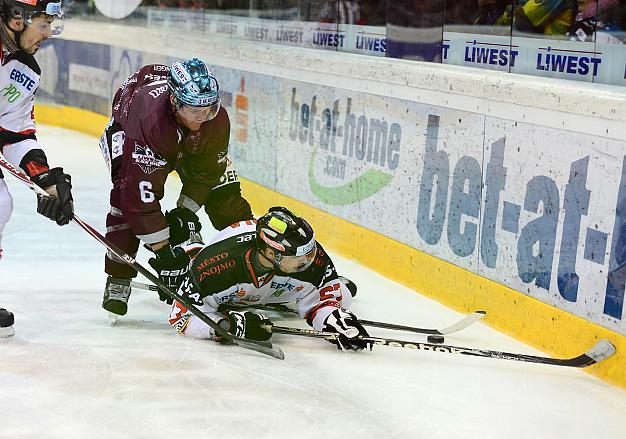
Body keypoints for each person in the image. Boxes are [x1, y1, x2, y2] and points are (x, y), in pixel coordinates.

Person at [100, 57, 253, 318]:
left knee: (226, 199)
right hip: (130, 132)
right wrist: (166, 255)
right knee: (124, 201)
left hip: (185, 143)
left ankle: (257, 263)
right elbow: (139, 200)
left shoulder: (216, 120)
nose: (204, 116)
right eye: (195, 110)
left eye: (209, 107)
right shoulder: (149, 120)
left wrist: (184, 213)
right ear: (175, 102)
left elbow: (208, 173)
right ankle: (118, 277)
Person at [168, 206, 370, 351]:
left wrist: (336, 321)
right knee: (190, 277)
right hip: (226, 282)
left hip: (268, 285)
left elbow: (322, 303)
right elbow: (181, 318)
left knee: (343, 298)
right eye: (300, 258)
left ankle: (280, 295)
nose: (310, 260)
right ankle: (192, 247)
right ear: (272, 254)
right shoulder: (213, 267)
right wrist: (227, 326)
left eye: (309, 253)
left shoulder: (312, 260)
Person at [0, 0, 74, 338]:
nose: (47, 33)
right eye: (42, 24)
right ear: (17, 20)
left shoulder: (24, 68)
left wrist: (44, 179)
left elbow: (16, 133)